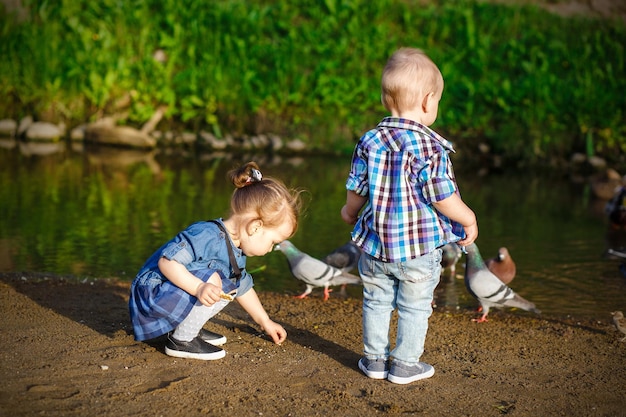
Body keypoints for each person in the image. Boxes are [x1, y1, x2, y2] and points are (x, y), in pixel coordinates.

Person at [341, 47, 478, 384]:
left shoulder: (369, 140)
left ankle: (374, 360)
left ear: (387, 99)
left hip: (375, 246)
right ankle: (404, 365)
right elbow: (442, 197)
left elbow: (357, 187)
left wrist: (349, 210)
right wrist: (468, 218)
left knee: (376, 301)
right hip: (418, 250)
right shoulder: (430, 148)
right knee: (415, 307)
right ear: (429, 102)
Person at [129, 162, 302, 360]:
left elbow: (243, 288)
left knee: (232, 283)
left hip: (169, 297)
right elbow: (167, 263)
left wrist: (265, 322)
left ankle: (185, 328)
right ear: (255, 227)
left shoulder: (235, 249)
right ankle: (182, 340)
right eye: (273, 242)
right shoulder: (206, 235)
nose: (271, 249)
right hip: (151, 296)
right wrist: (199, 288)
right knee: (213, 280)